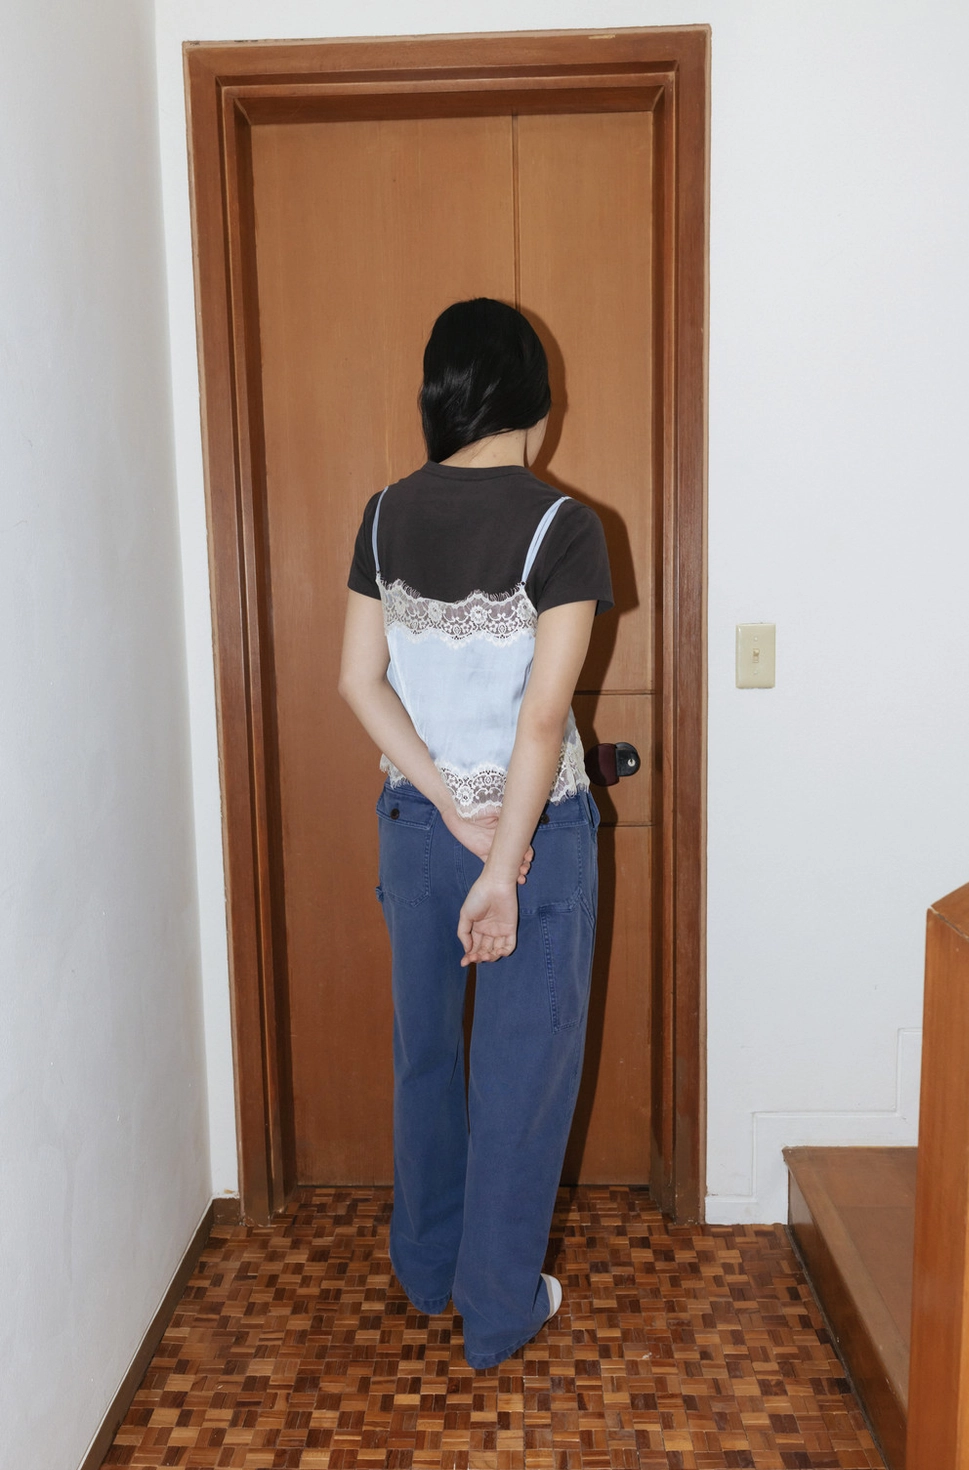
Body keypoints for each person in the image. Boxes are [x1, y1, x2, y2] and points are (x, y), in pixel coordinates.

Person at [339, 297, 614, 1370]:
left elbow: (358, 682)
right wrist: (500, 863)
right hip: (537, 840)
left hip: (417, 825)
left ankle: (426, 1268)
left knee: (426, 1052)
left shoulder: (381, 515)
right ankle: (497, 1310)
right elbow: (542, 720)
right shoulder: (565, 525)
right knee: (522, 1070)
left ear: (441, 397)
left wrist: (448, 804)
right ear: (535, 405)